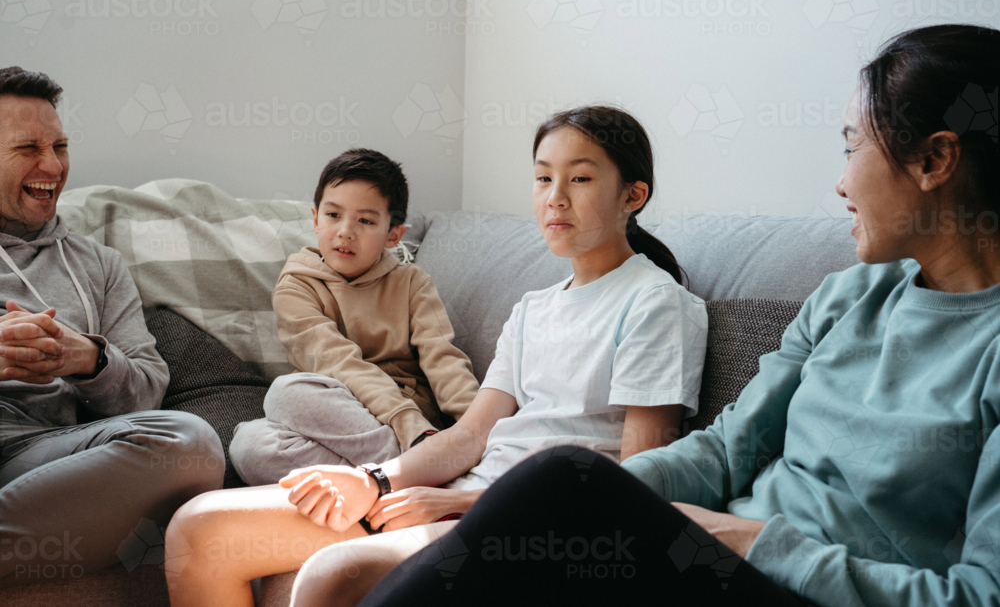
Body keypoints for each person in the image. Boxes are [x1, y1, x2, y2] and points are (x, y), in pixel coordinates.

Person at [357, 23, 1000, 607]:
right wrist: (607, 502)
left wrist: (743, 540)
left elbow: (979, 594)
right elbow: (724, 452)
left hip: (797, 584)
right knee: (555, 488)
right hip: (713, 555)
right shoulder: (846, 297)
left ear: (934, 161)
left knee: (553, 483)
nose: (840, 184)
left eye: (851, 147)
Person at [164, 105, 709, 607]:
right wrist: (376, 480)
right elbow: (470, 436)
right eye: (544, 177)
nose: (554, 197)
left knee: (328, 576)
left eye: (580, 178)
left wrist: (458, 508)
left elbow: (638, 483)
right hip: (462, 495)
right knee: (197, 532)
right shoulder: (533, 308)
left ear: (633, 196)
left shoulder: (656, 303)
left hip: (526, 524)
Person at [0, 67, 224, 585]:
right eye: (28, 148)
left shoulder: (98, 264)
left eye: (59, 145)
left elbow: (146, 394)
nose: (52, 166)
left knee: (191, 445)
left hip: (43, 459)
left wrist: (90, 360)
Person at [229, 149, 479, 486]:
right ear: (316, 219)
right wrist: (418, 438)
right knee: (255, 439)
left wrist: (477, 431)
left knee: (285, 392)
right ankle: (415, 472)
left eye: (365, 221)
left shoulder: (412, 283)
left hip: (411, 416)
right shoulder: (296, 287)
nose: (345, 231)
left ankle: (407, 471)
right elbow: (338, 363)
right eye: (333, 215)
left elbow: (444, 361)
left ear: (393, 235)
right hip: (341, 414)